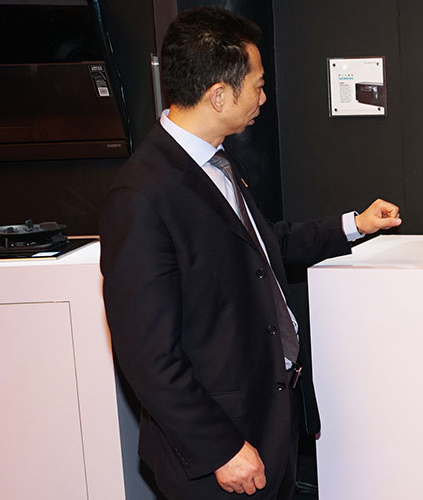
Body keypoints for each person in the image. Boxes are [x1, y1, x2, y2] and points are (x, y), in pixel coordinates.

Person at [99, 7, 401, 499]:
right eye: (257, 86)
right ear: (219, 95)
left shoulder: (216, 161)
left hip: (266, 422)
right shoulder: (142, 197)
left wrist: (354, 225)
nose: (264, 96)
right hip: (219, 452)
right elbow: (147, 356)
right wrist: (220, 448)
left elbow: (262, 246)